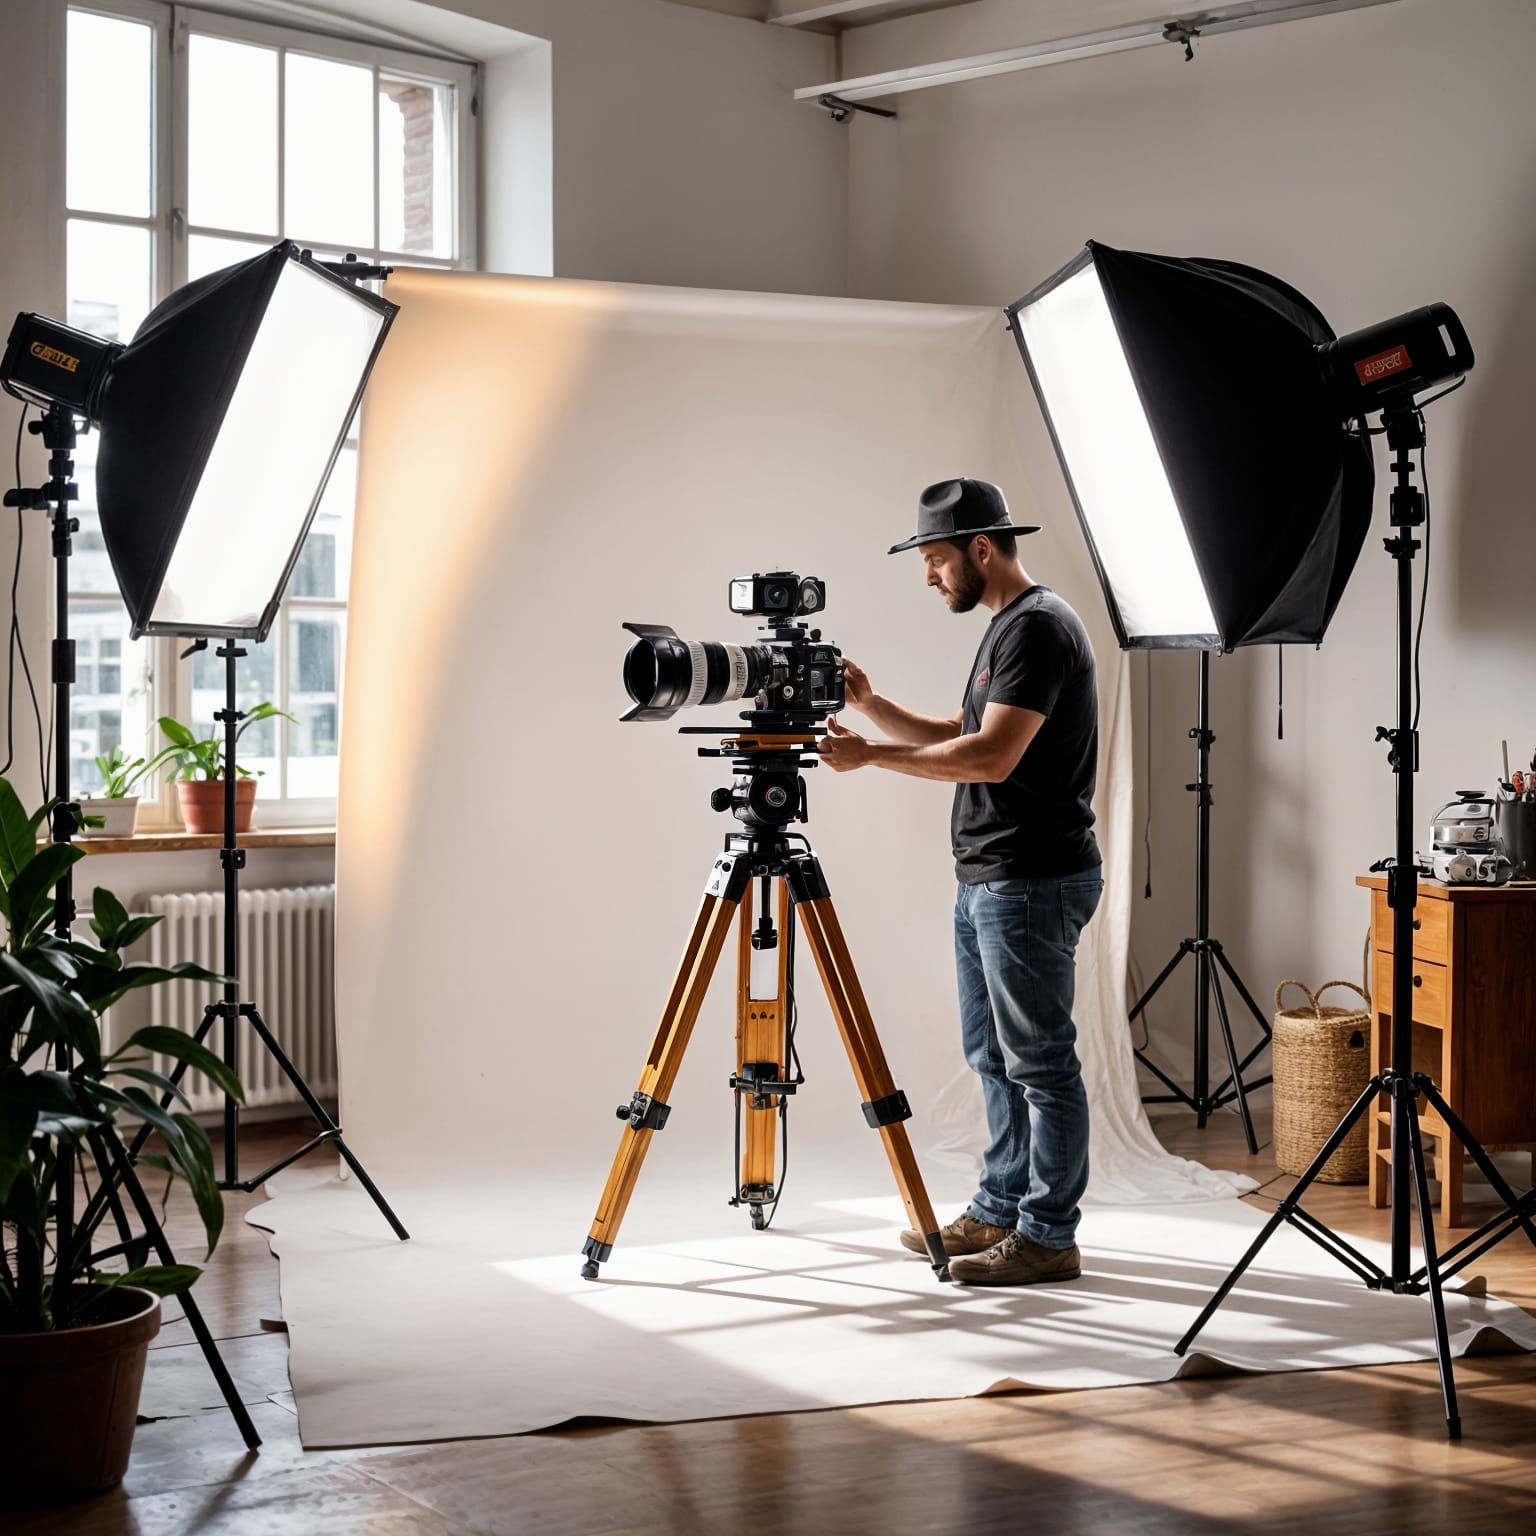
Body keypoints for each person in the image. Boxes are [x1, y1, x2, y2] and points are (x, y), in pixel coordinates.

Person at [817, 477, 1102, 1287]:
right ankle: (1002, 1206)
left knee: (1040, 1061)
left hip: (1030, 880)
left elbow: (990, 757)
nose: (930, 576)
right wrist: (873, 709)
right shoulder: (1008, 625)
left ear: (982, 549)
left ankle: (1049, 1234)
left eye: (937, 560)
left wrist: (871, 759)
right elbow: (966, 729)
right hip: (991, 879)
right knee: (992, 1055)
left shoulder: (1039, 628)